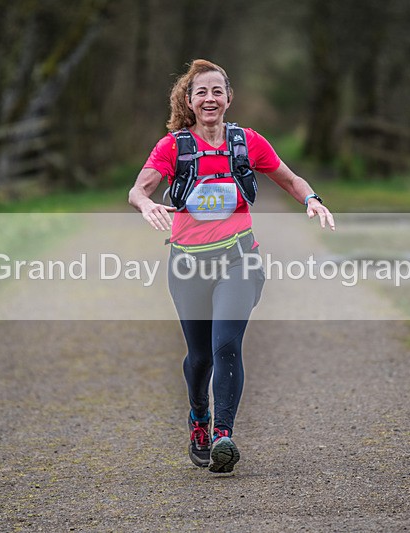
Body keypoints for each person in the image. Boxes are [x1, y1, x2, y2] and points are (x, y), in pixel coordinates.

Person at [129, 59, 334, 473]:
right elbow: (139, 189)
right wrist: (147, 204)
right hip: (188, 265)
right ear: (189, 100)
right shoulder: (173, 147)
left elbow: (291, 179)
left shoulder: (247, 142)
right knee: (200, 357)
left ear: (228, 98)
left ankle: (223, 435)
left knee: (226, 345)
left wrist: (312, 199)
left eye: (217, 91)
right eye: (201, 92)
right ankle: (199, 418)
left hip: (239, 259)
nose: (210, 99)